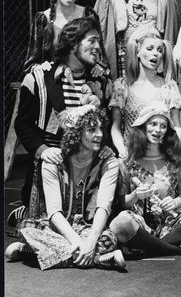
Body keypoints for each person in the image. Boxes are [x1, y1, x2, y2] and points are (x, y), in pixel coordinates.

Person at [8, 17, 112, 228]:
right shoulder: (39, 78)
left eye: (98, 41)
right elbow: (23, 124)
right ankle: (28, 211)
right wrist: (43, 150)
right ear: (73, 44)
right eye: (91, 41)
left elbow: (102, 125)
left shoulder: (99, 81)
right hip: (53, 167)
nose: (97, 47)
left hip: (87, 172)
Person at [5, 105, 125, 271]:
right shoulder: (53, 161)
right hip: (58, 229)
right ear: (76, 133)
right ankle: (99, 259)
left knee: (108, 238)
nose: (99, 134)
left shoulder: (108, 161)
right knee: (27, 228)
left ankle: (29, 252)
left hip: (88, 228)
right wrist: (78, 243)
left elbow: (104, 206)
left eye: (100, 129)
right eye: (92, 130)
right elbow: (54, 212)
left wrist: (91, 241)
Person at [109, 103, 181, 257]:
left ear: (167, 131)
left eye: (163, 126)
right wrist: (135, 195)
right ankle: (177, 249)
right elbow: (120, 204)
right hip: (140, 225)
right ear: (143, 127)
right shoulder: (126, 161)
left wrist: (174, 203)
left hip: (170, 224)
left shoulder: (175, 159)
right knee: (121, 224)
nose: (158, 130)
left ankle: (148, 248)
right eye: (153, 124)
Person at [110, 26, 181, 157]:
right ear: (137, 51)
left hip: (161, 157)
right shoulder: (121, 86)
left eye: (159, 50)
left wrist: (173, 153)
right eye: (150, 48)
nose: (155, 53)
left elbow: (176, 125)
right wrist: (122, 151)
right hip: (132, 156)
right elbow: (116, 126)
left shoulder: (169, 86)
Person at [23, 0, 104, 73]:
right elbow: (31, 62)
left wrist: (98, 66)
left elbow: (100, 54)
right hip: (54, 79)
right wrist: (38, 67)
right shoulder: (43, 18)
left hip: (84, 79)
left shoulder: (89, 14)